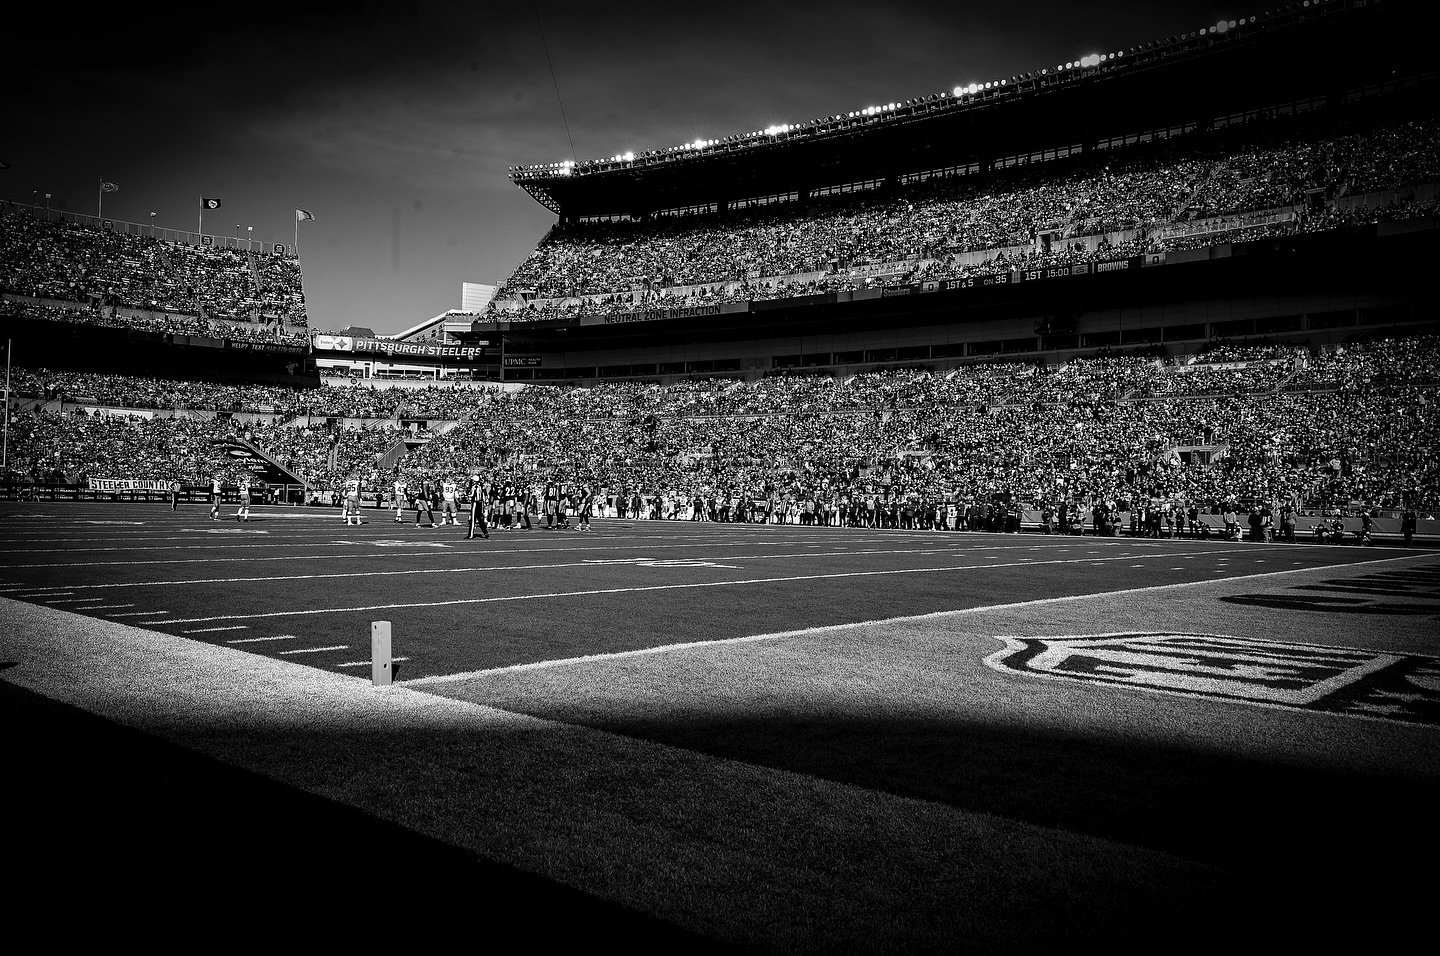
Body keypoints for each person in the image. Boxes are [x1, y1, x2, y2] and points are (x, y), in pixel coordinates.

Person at [466, 472, 490, 540]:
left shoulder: (475, 487)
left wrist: (469, 496)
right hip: (480, 504)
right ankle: (485, 532)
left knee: (473, 520)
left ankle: (470, 535)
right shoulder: (482, 486)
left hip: (475, 504)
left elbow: (472, 495)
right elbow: (485, 495)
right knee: (480, 519)